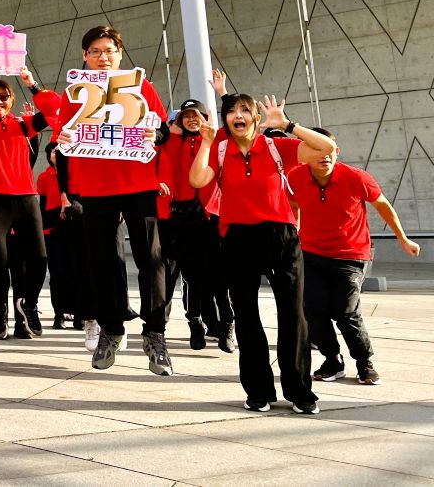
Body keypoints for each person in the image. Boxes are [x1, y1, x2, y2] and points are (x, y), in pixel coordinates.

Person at [189, 93, 335, 415]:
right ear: (226, 120)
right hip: (238, 238)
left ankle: (299, 391)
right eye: (231, 111)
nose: (237, 115)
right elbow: (196, 179)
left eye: (245, 110)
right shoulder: (220, 151)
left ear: (256, 118)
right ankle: (258, 391)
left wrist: (288, 125)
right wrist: (206, 143)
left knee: (293, 315)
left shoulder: (276, 147)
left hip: (280, 236)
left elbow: (326, 148)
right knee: (246, 316)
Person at [53, 26, 172, 375]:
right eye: (95, 51)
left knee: (151, 259)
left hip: (139, 182)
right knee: (102, 262)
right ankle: (112, 328)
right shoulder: (74, 93)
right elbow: (62, 142)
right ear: (85, 56)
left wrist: (156, 133)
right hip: (95, 188)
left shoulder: (139, 85)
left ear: (120, 53)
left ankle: (155, 332)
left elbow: (163, 129)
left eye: (109, 50)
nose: (103, 57)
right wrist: (66, 184)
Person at [289, 127, 421, 386]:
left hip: (350, 255)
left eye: (329, 150)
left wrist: (403, 238)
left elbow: (383, 205)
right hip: (311, 254)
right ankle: (332, 360)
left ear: (337, 152)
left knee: (345, 311)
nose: (325, 155)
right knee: (313, 309)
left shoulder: (356, 177)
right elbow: (293, 205)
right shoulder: (295, 177)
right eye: (317, 150)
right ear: (304, 154)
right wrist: (295, 234)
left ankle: (364, 362)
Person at [0, 59, 54, 339]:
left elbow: (52, 113)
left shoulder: (23, 124)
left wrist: (32, 83)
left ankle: (29, 304)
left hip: (26, 198)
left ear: (11, 99)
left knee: (39, 257)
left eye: (4, 97)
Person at [159, 99, 235, 352]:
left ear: (205, 118)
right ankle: (195, 323)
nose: (192, 119)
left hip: (213, 217)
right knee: (192, 278)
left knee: (220, 277)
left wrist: (223, 95)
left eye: (197, 115)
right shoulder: (173, 143)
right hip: (184, 219)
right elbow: (162, 155)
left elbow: (233, 125)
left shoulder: (216, 140)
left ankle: (227, 325)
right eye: (187, 116)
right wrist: (170, 133)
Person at [36, 143, 76, 330]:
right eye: (52, 151)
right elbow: (43, 205)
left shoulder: (74, 173)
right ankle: (59, 313)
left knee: (76, 270)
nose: (55, 153)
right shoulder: (44, 177)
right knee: (57, 273)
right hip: (52, 229)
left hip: (74, 226)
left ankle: (79, 313)